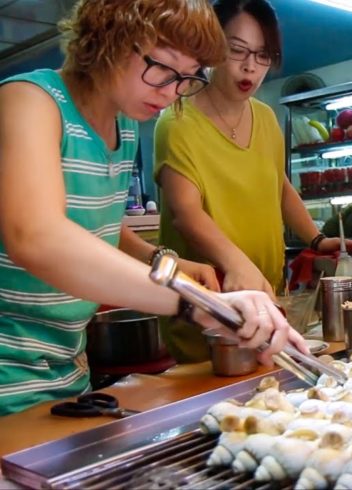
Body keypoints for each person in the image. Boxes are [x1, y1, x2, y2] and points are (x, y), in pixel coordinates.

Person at [0, 0, 308, 417]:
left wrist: (166, 260)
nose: (171, 91)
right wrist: (190, 300)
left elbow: (97, 222)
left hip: (66, 372)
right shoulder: (27, 102)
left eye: (186, 78)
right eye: (162, 67)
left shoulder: (124, 125)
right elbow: (36, 236)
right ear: (109, 36)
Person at [154, 0, 352, 363]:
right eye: (236, 50)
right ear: (211, 47)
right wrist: (237, 264)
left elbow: (279, 187)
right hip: (210, 305)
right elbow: (185, 214)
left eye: (263, 55)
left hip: (268, 296)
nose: (250, 66)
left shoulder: (266, 119)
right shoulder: (176, 119)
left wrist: (316, 238)